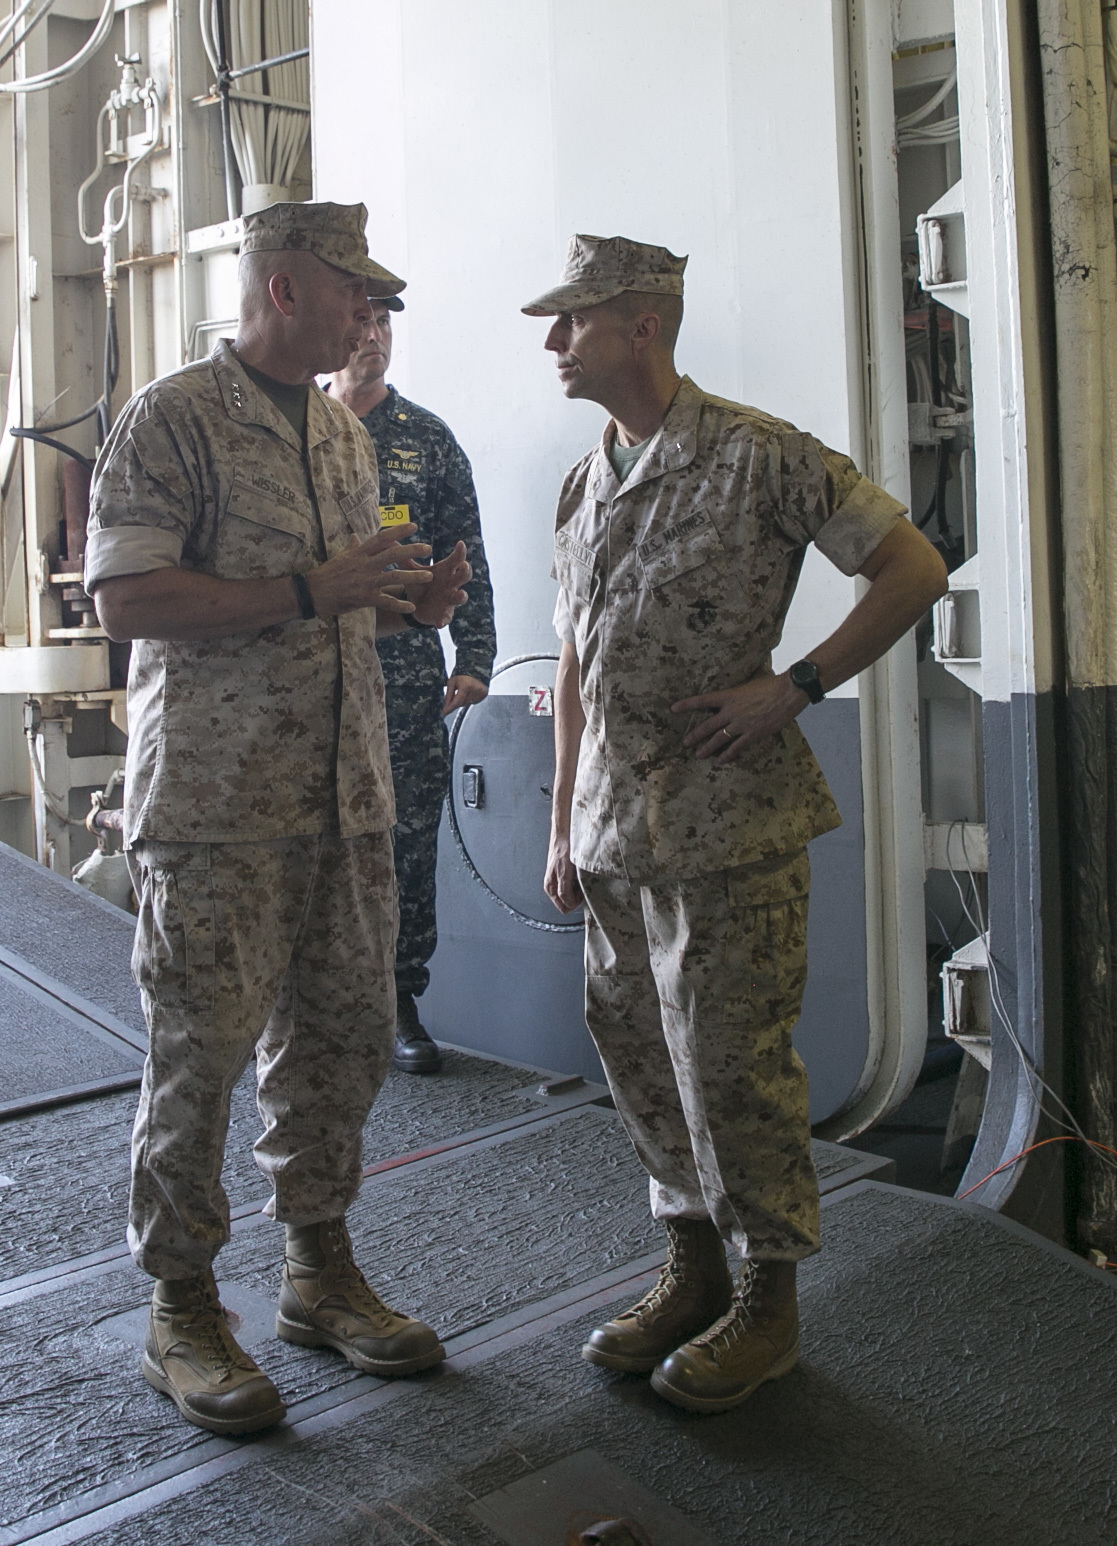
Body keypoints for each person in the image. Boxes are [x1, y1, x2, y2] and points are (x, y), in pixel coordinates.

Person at [527, 234, 947, 1415]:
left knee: (732, 1066)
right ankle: (694, 1264)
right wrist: (559, 818)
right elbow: (570, 660)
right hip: (611, 833)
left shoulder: (760, 455)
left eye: (574, 321)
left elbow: (914, 569)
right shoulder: (584, 477)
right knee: (645, 1062)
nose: (554, 344)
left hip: (729, 824)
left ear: (644, 325)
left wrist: (796, 686)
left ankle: (770, 1298)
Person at [84, 202, 472, 1438]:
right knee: (199, 1053)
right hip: (215, 804)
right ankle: (184, 1308)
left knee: (340, 1041)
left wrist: (409, 607)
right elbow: (129, 601)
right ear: (287, 286)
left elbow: (346, 602)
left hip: (345, 800)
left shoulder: (345, 438)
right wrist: (312, 587)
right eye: (356, 291)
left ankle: (318, 1272)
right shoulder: (172, 418)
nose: (372, 314)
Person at [327, 300, 496, 1074]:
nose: (373, 338)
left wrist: (474, 658)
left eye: (384, 325)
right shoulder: (298, 433)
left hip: (402, 672)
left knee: (404, 839)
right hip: (307, 674)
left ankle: (399, 1002)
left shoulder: (426, 439)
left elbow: (468, 555)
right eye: (359, 322)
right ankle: (320, 1006)